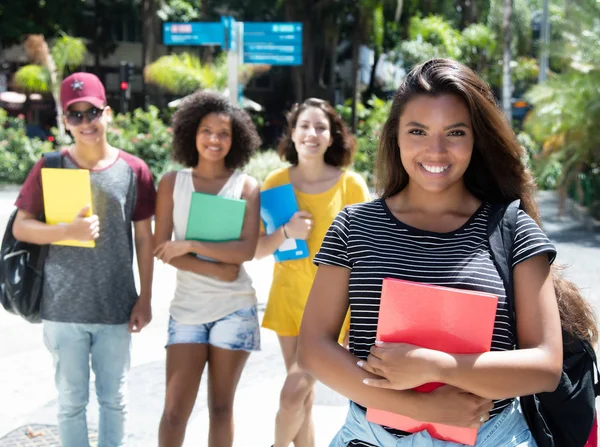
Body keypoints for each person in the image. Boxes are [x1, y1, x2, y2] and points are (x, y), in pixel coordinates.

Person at [297, 58, 596, 447]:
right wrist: (422, 407)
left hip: (493, 438)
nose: (435, 150)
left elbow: (545, 365)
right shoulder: (354, 226)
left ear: (476, 139)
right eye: (417, 131)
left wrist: (435, 366)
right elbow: (314, 348)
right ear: (396, 136)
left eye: (455, 132)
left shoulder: (513, 228)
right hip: (370, 438)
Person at [12, 72, 156, 447]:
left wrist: (146, 297)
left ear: (106, 113)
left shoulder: (134, 170)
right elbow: (21, 228)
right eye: (75, 116)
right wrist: (66, 232)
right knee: (71, 404)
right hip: (62, 309)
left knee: (114, 400)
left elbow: (144, 236)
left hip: (116, 306)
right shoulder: (49, 165)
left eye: (91, 112)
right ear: (65, 122)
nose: (85, 123)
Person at [255, 97, 371, 447]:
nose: (312, 133)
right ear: (292, 133)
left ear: (333, 136)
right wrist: (286, 233)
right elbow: (258, 248)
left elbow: (367, 258)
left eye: (321, 127)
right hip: (288, 299)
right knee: (302, 398)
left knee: (293, 393)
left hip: (333, 312)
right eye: (304, 126)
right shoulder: (275, 182)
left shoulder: (351, 186)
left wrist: (361, 318)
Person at [153, 91, 262, 447]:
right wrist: (216, 269)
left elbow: (244, 251)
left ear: (236, 140)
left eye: (224, 133)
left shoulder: (246, 187)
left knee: (221, 407)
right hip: (187, 310)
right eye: (206, 130)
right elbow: (162, 249)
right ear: (191, 133)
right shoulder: (172, 183)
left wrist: (192, 245)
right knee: (174, 410)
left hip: (236, 309)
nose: (215, 139)